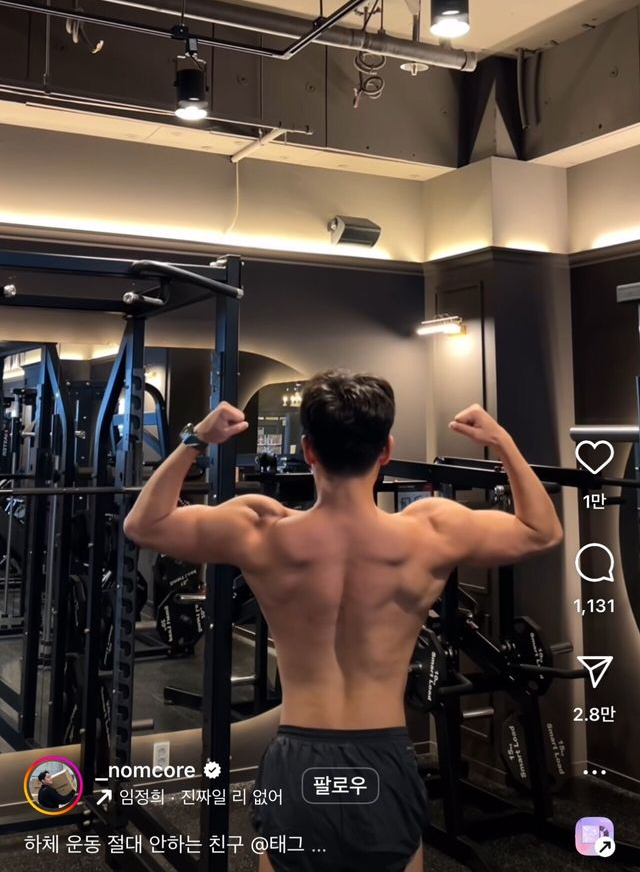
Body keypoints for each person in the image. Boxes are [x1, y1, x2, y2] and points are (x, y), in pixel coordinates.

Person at [124, 370, 563, 872]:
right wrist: (501, 441)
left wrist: (196, 440)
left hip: (298, 754)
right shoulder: (431, 531)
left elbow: (143, 524)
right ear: (386, 450)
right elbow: (542, 531)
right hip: (384, 754)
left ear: (308, 450)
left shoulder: (261, 529)